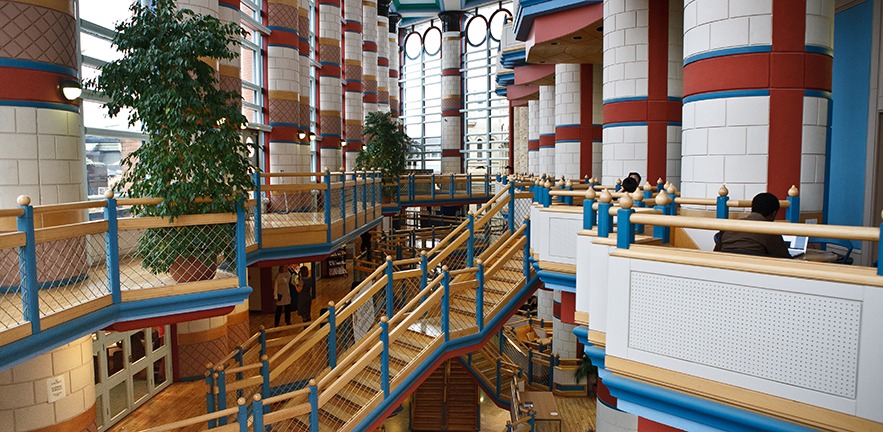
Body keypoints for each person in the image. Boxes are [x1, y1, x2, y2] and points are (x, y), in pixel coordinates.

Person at [713, 192, 791, 258]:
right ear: (773, 214)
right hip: (756, 272)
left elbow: (716, 254)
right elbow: (785, 258)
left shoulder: (729, 227)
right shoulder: (770, 231)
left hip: (726, 270)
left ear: (752, 208)